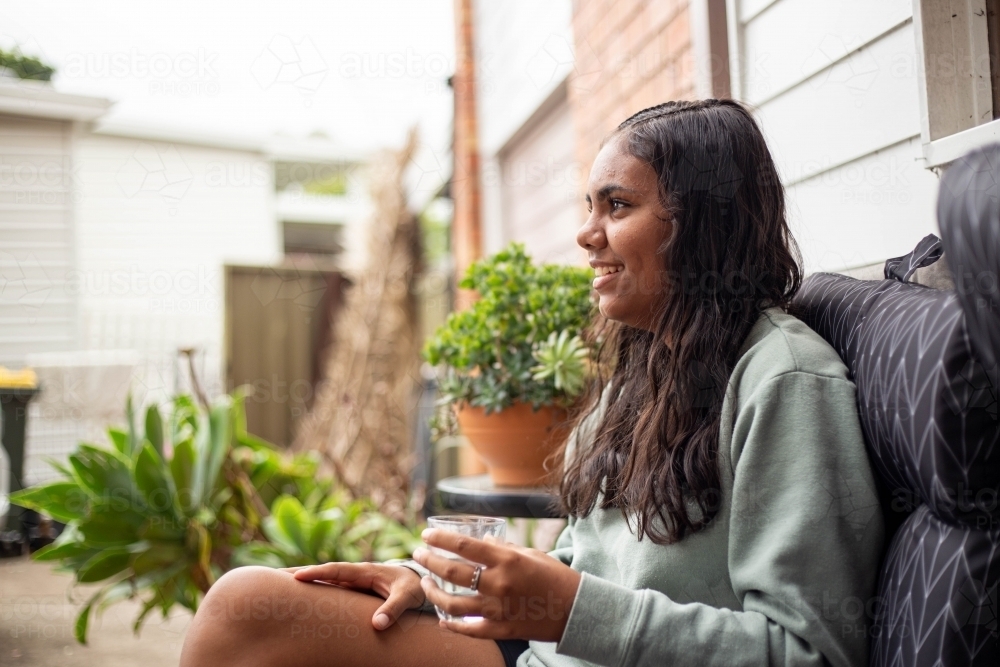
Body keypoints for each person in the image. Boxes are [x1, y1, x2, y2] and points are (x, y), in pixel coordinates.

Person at [180, 99, 884, 667]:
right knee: (243, 607)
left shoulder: (785, 381)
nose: (586, 233)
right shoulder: (647, 368)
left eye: (616, 206)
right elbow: (582, 563)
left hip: (571, 648)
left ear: (702, 223)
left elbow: (811, 651)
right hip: (542, 651)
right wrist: (434, 586)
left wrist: (574, 610)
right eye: (588, 205)